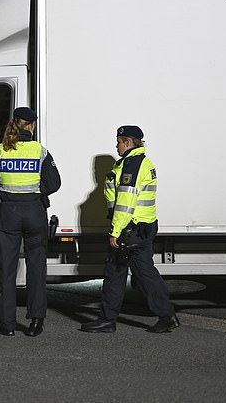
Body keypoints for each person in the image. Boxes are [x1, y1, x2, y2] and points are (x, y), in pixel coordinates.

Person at [80, 125, 179, 334]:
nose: (116, 145)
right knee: (145, 274)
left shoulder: (132, 166)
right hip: (142, 227)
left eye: (118, 141)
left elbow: (125, 202)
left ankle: (108, 319)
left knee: (115, 273)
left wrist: (115, 231)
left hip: (130, 229)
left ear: (127, 142)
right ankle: (167, 315)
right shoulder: (138, 162)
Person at [0, 107, 61, 337]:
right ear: (31, 126)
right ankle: (36, 321)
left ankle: (7, 325)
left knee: (6, 268)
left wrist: (3, 192)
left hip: (8, 212)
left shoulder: (0, 150)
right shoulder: (40, 151)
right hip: (34, 211)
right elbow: (54, 183)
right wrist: (37, 191)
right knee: (36, 267)